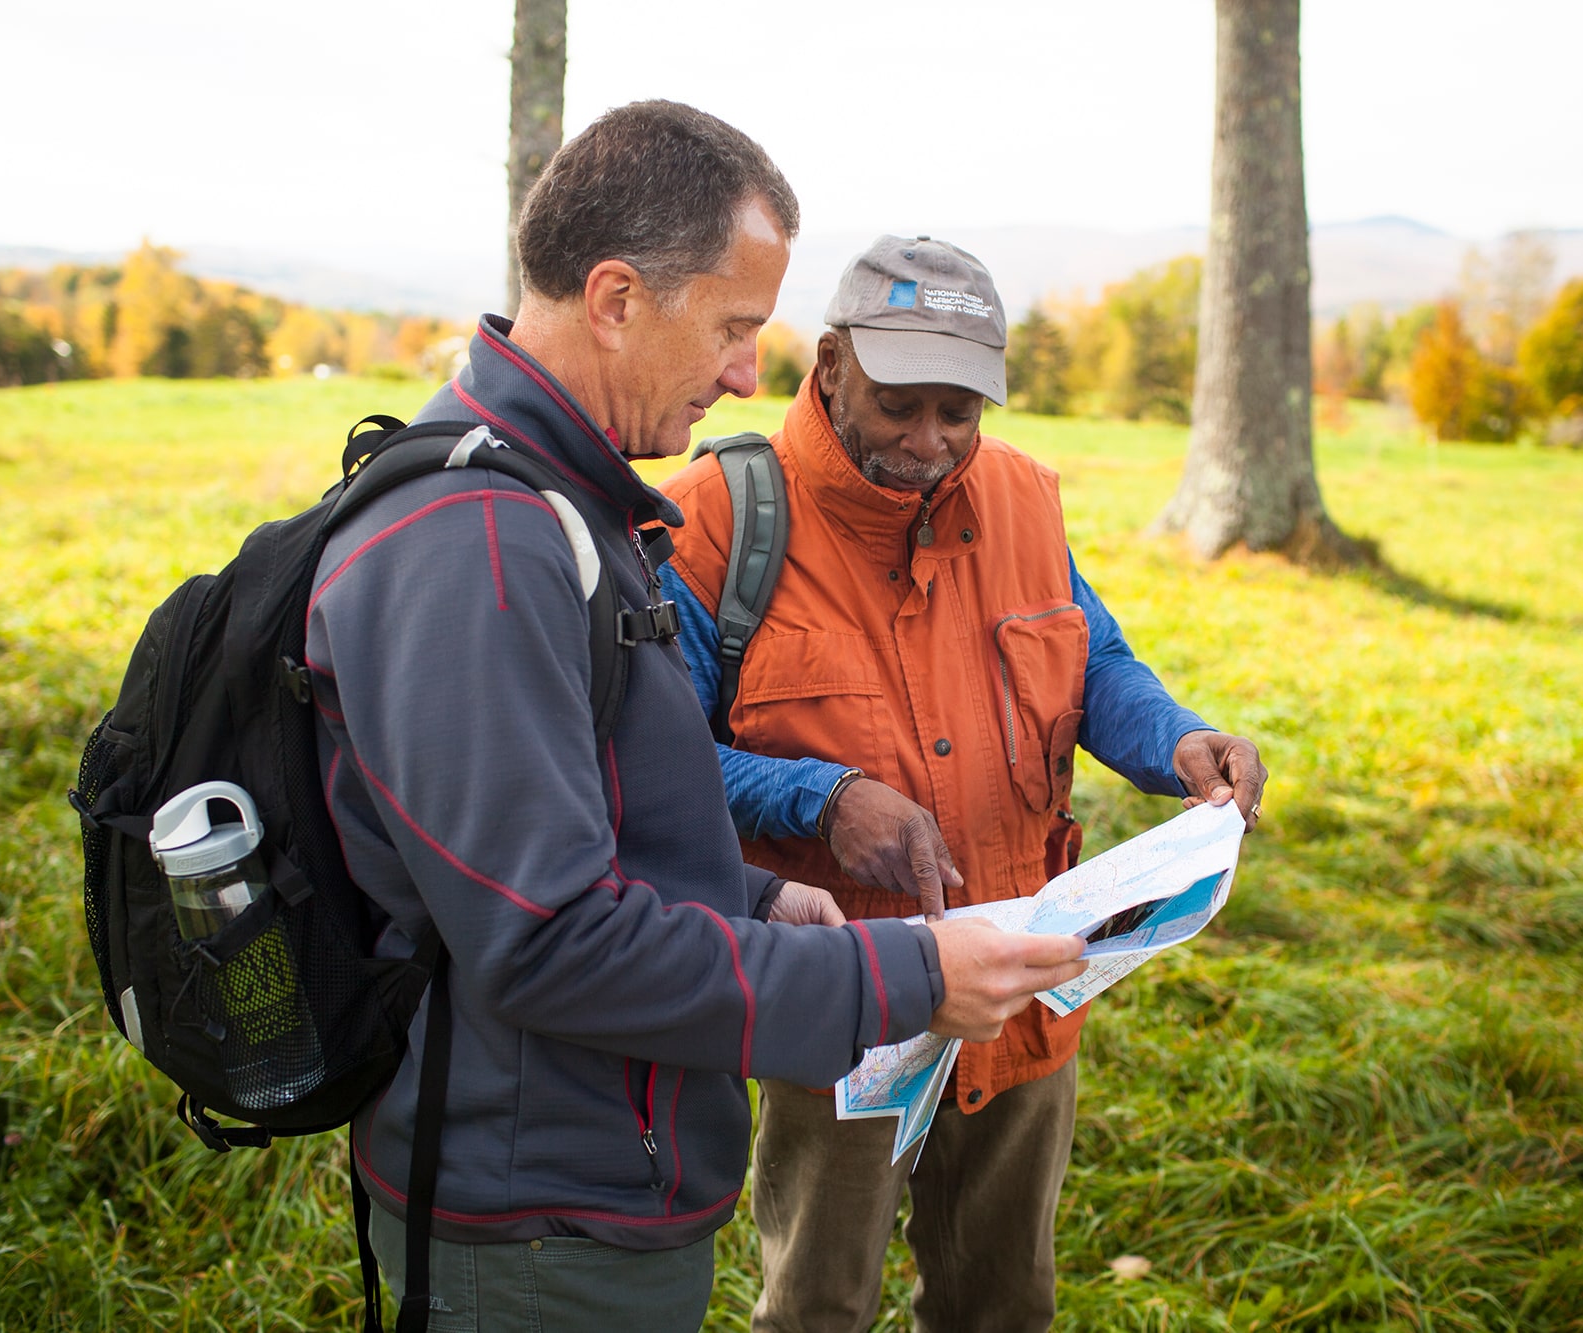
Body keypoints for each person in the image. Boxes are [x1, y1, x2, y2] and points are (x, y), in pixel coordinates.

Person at [307, 108, 1085, 1332]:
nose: (741, 375)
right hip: (533, 1222)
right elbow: (552, 940)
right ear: (616, 297)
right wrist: (903, 970)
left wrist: (755, 896)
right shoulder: (484, 547)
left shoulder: (571, 511)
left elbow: (584, 822)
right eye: (731, 328)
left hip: (605, 1177)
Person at [658, 235, 1268, 1333]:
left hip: (1022, 988)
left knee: (1005, 1302)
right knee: (816, 1303)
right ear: (831, 363)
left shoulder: (1025, 501)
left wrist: (1175, 740)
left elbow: (1092, 663)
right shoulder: (713, 523)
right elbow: (651, 765)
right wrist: (824, 798)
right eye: (900, 404)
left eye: (959, 410)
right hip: (838, 1004)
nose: (928, 442)